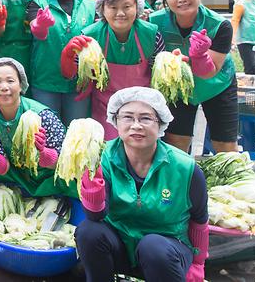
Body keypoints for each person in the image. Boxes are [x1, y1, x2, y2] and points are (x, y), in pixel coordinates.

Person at [76, 86, 208, 282]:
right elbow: (96, 216)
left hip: (167, 248)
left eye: (145, 118)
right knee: (88, 231)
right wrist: (92, 187)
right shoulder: (104, 158)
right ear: (116, 121)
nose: (136, 125)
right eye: (127, 117)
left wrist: (198, 263)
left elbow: (199, 220)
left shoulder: (185, 168)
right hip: (121, 242)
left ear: (160, 123)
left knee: (152, 245)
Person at [149, 0, 238, 154]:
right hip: (179, 87)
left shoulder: (219, 25)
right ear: (165, 0)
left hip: (217, 86)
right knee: (176, 143)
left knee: (225, 145)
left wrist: (199, 56)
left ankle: (231, 180)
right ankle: (183, 181)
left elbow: (210, 72)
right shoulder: (154, 22)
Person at [70, 0, 164, 140]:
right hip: (106, 106)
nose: (120, 13)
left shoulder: (152, 35)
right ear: (102, 9)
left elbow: (159, 74)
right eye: (113, 8)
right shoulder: (90, 36)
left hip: (144, 102)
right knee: (110, 148)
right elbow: (80, 74)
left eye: (127, 7)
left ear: (137, 8)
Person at [0, 57, 73, 197]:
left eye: (10, 81)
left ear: (21, 85)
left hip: (50, 179)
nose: (4, 87)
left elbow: (63, 162)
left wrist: (43, 153)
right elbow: (4, 168)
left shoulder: (43, 116)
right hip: (15, 178)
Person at [27, 0, 95, 124]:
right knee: (50, 131)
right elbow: (37, 32)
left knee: (77, 129)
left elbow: (98, 40)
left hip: (80, 81)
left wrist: (91, 75)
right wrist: (41, 24)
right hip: (45, 80)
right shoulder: (38, 3)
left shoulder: (91, 5)